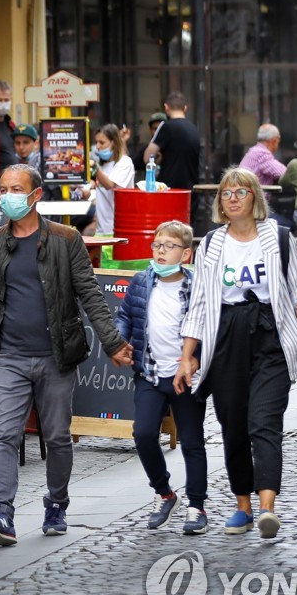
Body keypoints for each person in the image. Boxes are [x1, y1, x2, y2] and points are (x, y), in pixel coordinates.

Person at [0, 164, 132, 547]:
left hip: (55, 356)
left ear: (36, 195)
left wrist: (112, 343)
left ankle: (56, 504)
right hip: (9, 355)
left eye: (16, 189)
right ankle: (2, 513)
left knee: (59, 437)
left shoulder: (65, 239)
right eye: (4, 189)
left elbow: (90, 294)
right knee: (6, 434)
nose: (7, 196)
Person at [175, 167, 297, 540]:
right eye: (226, 194)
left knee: (264, 423)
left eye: (241, 192)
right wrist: (187, 356)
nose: (233, 198)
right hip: (225, 338)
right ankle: (242, 504)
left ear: (255, 197)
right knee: (234, 427)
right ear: (220, 204)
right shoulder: (210, 244)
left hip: (269, 336)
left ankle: (266, 507)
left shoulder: (279, 237)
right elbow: (199, 304)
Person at [115, 220, 208, 535]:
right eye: (157, 245)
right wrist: (120, 341)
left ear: (186, 254)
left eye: (169, 246)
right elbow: (126, 315)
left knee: (192, 442)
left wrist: (197, 357)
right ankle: (165, 493)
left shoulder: (197, 285)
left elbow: (210, 325)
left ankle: (196, 506)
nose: (161, 252)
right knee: (142, 434)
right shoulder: (142, 281)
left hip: (185, 375)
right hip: (150, 372)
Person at [80, 124, 134, 236]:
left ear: (114, 142)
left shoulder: (124, 163)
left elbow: (109, 184)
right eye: (97, 142)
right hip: (101, 230)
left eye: (102, 142)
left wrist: (95, 168)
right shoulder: (102, 165)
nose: (98, 146)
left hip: (118, 230)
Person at [142, 91, 202, 190]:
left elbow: (147, 157)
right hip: (190, 191)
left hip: (170, 190)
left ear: (166, 107)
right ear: (185, 108)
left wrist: (158, 157)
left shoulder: (166, 127)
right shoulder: (194, 129)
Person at [239, 124, 287, 189]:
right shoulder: (262, 155)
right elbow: (284, 173)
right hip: (255, 197)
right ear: (274, 140)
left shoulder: (254, 151)